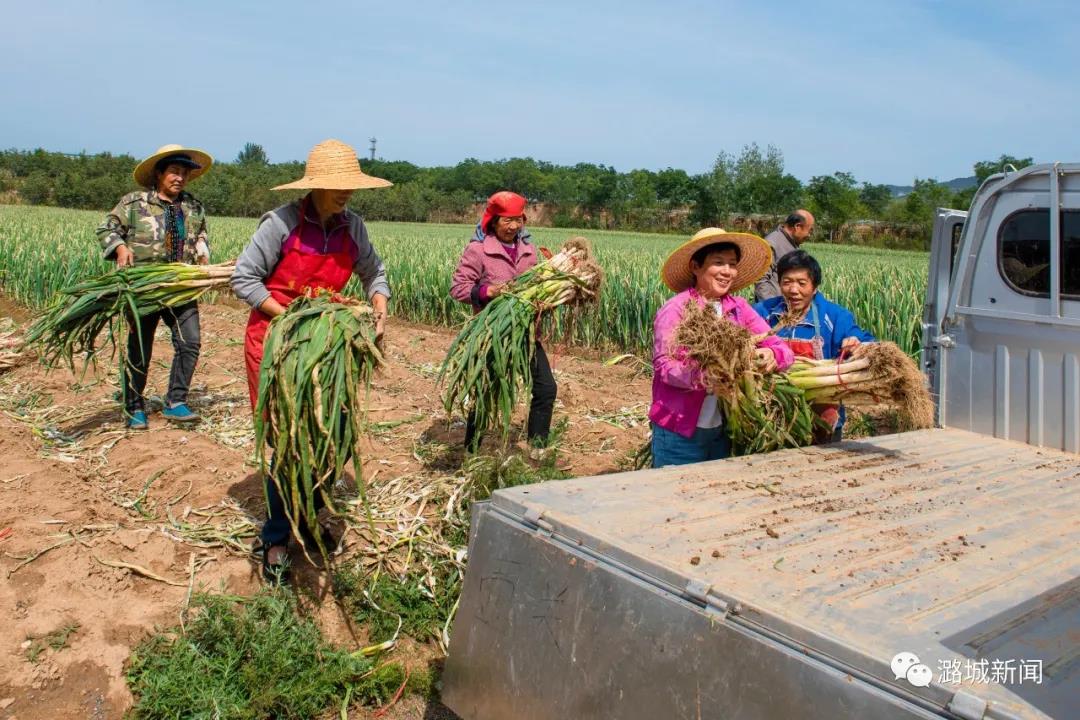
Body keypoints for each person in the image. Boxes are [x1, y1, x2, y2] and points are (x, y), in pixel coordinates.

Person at [231, 139, 391, 582]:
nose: (346, 193)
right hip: (277, 345)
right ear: (315, 185)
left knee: (334, 439)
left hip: (328, 348)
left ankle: (309, 515)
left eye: (351, 187)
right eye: (338, 185)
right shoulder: (280, 224)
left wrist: (378, 302)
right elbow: (243, 278)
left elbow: (373, 272)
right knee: (289, 444)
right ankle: (277, 536)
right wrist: (293, 320)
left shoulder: (352, 227)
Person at [650, 227, 794, 467]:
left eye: (732, 264)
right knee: (675, 497)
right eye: (719, 263)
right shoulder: (676, 309)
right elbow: (664, 366)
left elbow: (783, 350)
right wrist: (705, 377)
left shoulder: (738, 308)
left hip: (723, 429)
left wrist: (772, 354)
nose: (727, 271)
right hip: (680, 430)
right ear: (696, 267)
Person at [96, 144, 213, 430]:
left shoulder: (193, 206)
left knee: (190, 342)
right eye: (174, 171)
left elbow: (201, 235)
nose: (180, 178)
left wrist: (202, 249)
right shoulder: (134, 203)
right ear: (159, 174)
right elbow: (106, 228)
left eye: (184, 173)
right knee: (140, 347)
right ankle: (134, 405)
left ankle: (176, 401)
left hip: (179, 286)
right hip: (144, 287)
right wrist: (121, 247)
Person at [450, 190, 556, 452]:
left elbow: (536, 287)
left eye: (518, 220)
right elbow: (459, 288)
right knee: (487, 393)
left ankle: (538, 448)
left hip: (527, 333)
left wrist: (545, 302)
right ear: (493, 221)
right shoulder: (478, 250)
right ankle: (471, 451)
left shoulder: (529, 251)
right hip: (493, 333)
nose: (513, 226)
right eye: (507, 221)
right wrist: (489, 291)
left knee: (546, 389)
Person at [752, 250, 875, 441]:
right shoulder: (763, 312)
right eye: (787, 282)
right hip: (770, 416)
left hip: (821, 416)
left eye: (802, 283)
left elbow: (867, 341)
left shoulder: (835, 316)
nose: (794, 290)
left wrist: (857, 344)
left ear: (815, 287)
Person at [754, 209, 815, 302]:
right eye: (809, 230)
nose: (809, 235)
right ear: (797, 227)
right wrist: (771, 309)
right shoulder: (772, 243)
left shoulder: (791, 244)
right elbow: (761, 281)